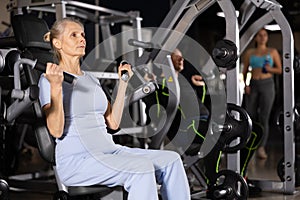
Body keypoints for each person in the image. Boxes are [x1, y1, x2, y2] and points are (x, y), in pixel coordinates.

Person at [38, 17, 190, 200]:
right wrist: (56, 87)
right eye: (74, 35)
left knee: (171, 161)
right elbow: (55, 130)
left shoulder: (91, 79)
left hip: (110, 150)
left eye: (83, 35)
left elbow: (113, 122)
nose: (82, 39)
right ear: (57, 43)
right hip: (77, 160)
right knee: (141, 169)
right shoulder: (49, 79)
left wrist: (123, 83)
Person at [242, 28, 282, 159]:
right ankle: (250, 145)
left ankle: (261, 147)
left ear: (267, 37)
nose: (262, 37)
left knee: (264, 117)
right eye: (260, 35)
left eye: (265, 35)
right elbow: (245, 70)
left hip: (267, 84)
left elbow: (280, 69)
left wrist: (270, 69)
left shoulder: (272, 52)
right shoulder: (250, 52)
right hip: (253, 84)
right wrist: (246, 84)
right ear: (256, 38)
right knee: (250, 116)